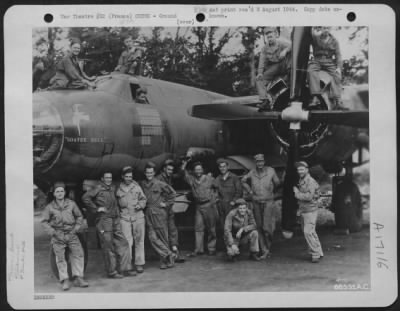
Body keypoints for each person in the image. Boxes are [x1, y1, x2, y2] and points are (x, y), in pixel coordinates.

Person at [82, 172, 134, 278]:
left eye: (110, 178)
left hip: (114, 219)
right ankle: (112, 272)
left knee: (123, 243)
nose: (109, 180)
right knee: (108, 246)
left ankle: (125, 269)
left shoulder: (112, 188)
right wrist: (96, 209)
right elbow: (85, 198)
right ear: (102, 178)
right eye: (106, 178)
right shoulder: (98, 188)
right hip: (104, 220)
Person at [41, 182, 89, 290]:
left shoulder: (71, 204)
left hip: (71, 233)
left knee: (78, 254)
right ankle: (65, 280)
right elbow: (44, 221)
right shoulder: (50, 207)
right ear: (54, 194)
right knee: (60, 258)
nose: (60, 193)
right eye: (57, 191)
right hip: (57, 235)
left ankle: (79, 277)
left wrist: (76, 228)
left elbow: (79, 216)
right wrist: (53, 232)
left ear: (65, 192)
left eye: (61, 191)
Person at [140, 162, 179, 269]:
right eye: (147, 173)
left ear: (154, 173)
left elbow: (173, 193)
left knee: (163, 237)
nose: (149, 174)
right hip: (148, 212)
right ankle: (168, 253)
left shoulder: (159, 183)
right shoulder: (142, 184)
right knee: (152, 237)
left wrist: (166, 204)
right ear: (145, 173)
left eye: (151, 173)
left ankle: (166, 261)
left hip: (159, 213)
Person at [241, 154, 280, 259]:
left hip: (268, 202)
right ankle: (265, 250)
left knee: (267, 228)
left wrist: (272, 194)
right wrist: (249, 190)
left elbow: (278, 183)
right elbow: (243, 180)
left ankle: (267, 247)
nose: (260, 164)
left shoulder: (271, 171)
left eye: (261, 161)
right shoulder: (252, 172)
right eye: (257, 162)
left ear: (264, 161)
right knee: (258, 226)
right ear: (255, 162)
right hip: (256, 202)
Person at [181, 160, 218, 256]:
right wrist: (184, 164)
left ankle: (211, 248)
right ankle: (199, 249)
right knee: (198, 228)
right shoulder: (192, 179)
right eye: (196, 169)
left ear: (202, 170)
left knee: (211, 228)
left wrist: (215, 198)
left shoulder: (209, 178)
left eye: (199, 169)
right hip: (198, 206)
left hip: (209, 205)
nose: (198, 171)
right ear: (193, 171)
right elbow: (183, 173)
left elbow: (218, 186)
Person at [116, 166, 147, 274]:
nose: (129, 178)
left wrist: (140, 205)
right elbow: (116, 203)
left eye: (131, 176)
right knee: (127, 242)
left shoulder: (137, 187)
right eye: (127, 176)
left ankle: (139, 264)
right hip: (125, 218)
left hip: (138, 217)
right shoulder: (118, 188)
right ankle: (127, 265)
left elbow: (143, 199)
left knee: (139, 241)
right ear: (122, 177)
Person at [293, 161, 324, 263]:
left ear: (307, 170)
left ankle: (315, 254)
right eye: (298, 170)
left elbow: (309, 197)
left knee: (308, 232)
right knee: (311, 232)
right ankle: (319, 251)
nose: (300, 171)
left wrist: (297, 193)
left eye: (302, 169)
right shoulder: (302, 180)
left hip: (310, 210)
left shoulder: (310, 181)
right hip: (304, 210)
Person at [156, 159, 186, 263]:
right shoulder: (158, 179)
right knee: (164, 232)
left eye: (171, 170)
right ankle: (166, 255)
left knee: (172, 230)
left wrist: (183, 166)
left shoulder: (169, 177)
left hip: (168, 208)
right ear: (164, 169)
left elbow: (179, 175)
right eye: (168, 169)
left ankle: (174, 251)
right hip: (161, 209)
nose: (170, 172)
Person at [307, 27, 343, 109]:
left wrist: (339, 67)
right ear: (322, 29)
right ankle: (315, 96)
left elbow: (338, 55)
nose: (326, 30)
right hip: (317, 60)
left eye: (327, 28)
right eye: (324, 28)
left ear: (330, 29)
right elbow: (309, 33)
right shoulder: (316, 37)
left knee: (337, 74)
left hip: (329, 61)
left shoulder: (334, 41)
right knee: (310, 70)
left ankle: (337, 99)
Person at [256, 27, 291, 111]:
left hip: (285, 65)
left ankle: (293, 89)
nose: (270, 39)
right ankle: (265, 101)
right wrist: (260, 73)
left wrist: (285, 50)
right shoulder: (265, 49)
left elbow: (293, 45)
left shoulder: (282, 43)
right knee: (259, 79)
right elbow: (262, 62)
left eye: (271, 37)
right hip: (275, 67)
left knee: (291, 58)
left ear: (275, 36)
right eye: (268, 37)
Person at [213, 158, 243, 231]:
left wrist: (234, 201)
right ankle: (227, 241)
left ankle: (235, 241)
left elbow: (239, 191)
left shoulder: (234, 177)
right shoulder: (217, 179)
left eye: (224, 166)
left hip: (232, 205)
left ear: (228, 167)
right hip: (221, 205)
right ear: (219, 168)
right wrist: (217, 201)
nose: (222, 168)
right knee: (224, 226)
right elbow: (214, 190)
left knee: (234, 226)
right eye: (220, 167)